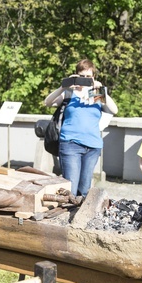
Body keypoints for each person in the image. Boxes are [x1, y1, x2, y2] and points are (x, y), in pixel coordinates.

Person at [44, 59, 118, 197]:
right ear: (76, 76)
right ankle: (66, 215)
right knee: (70, 187)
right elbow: (47, 102)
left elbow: (114, 109)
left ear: (93, 77)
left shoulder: (95, 94)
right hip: (71, 144)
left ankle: (79, 215)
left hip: (92, 146)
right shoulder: (69, 93)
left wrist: (102, 90)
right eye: (81, 77)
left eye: (88, 77)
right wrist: (64, 86)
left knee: (84, 188)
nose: (84, 80)